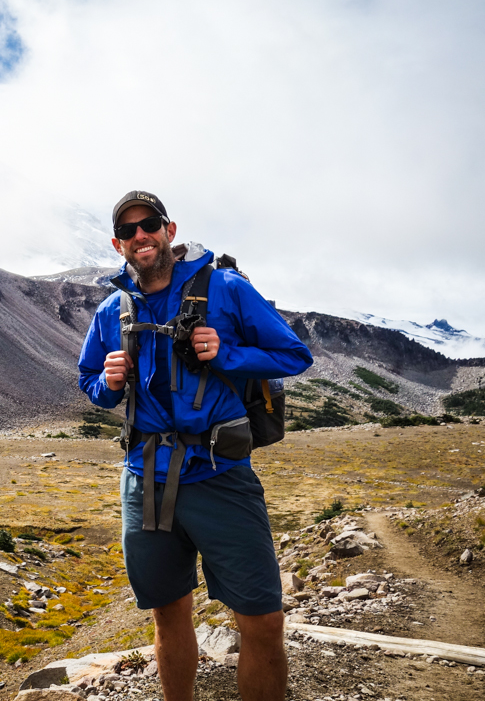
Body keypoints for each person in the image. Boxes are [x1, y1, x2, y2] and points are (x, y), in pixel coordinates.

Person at [78, 190, 313, 701]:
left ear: (170, 230)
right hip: (144, 481)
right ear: (119, 245)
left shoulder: (226, 288)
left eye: (150, 224)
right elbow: (90, 381)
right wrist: (108, 383)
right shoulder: (112, 309)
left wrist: (225, 352)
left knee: (263, 618)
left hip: (220, 475)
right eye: (129, 230)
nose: (141, 235)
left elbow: (295, 355)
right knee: (167, 612)